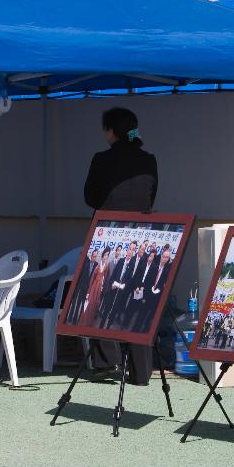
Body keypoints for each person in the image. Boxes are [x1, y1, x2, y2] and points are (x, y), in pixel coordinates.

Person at [82, 107, 159, 384]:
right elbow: (152, 196)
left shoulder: (102, 159)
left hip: (108, 235)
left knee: (101, 293)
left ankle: (107, 362)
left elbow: (90, 197)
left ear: (110, 131)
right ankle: (141, 370)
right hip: (142, 237)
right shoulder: (148, 159)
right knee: (139, 299)